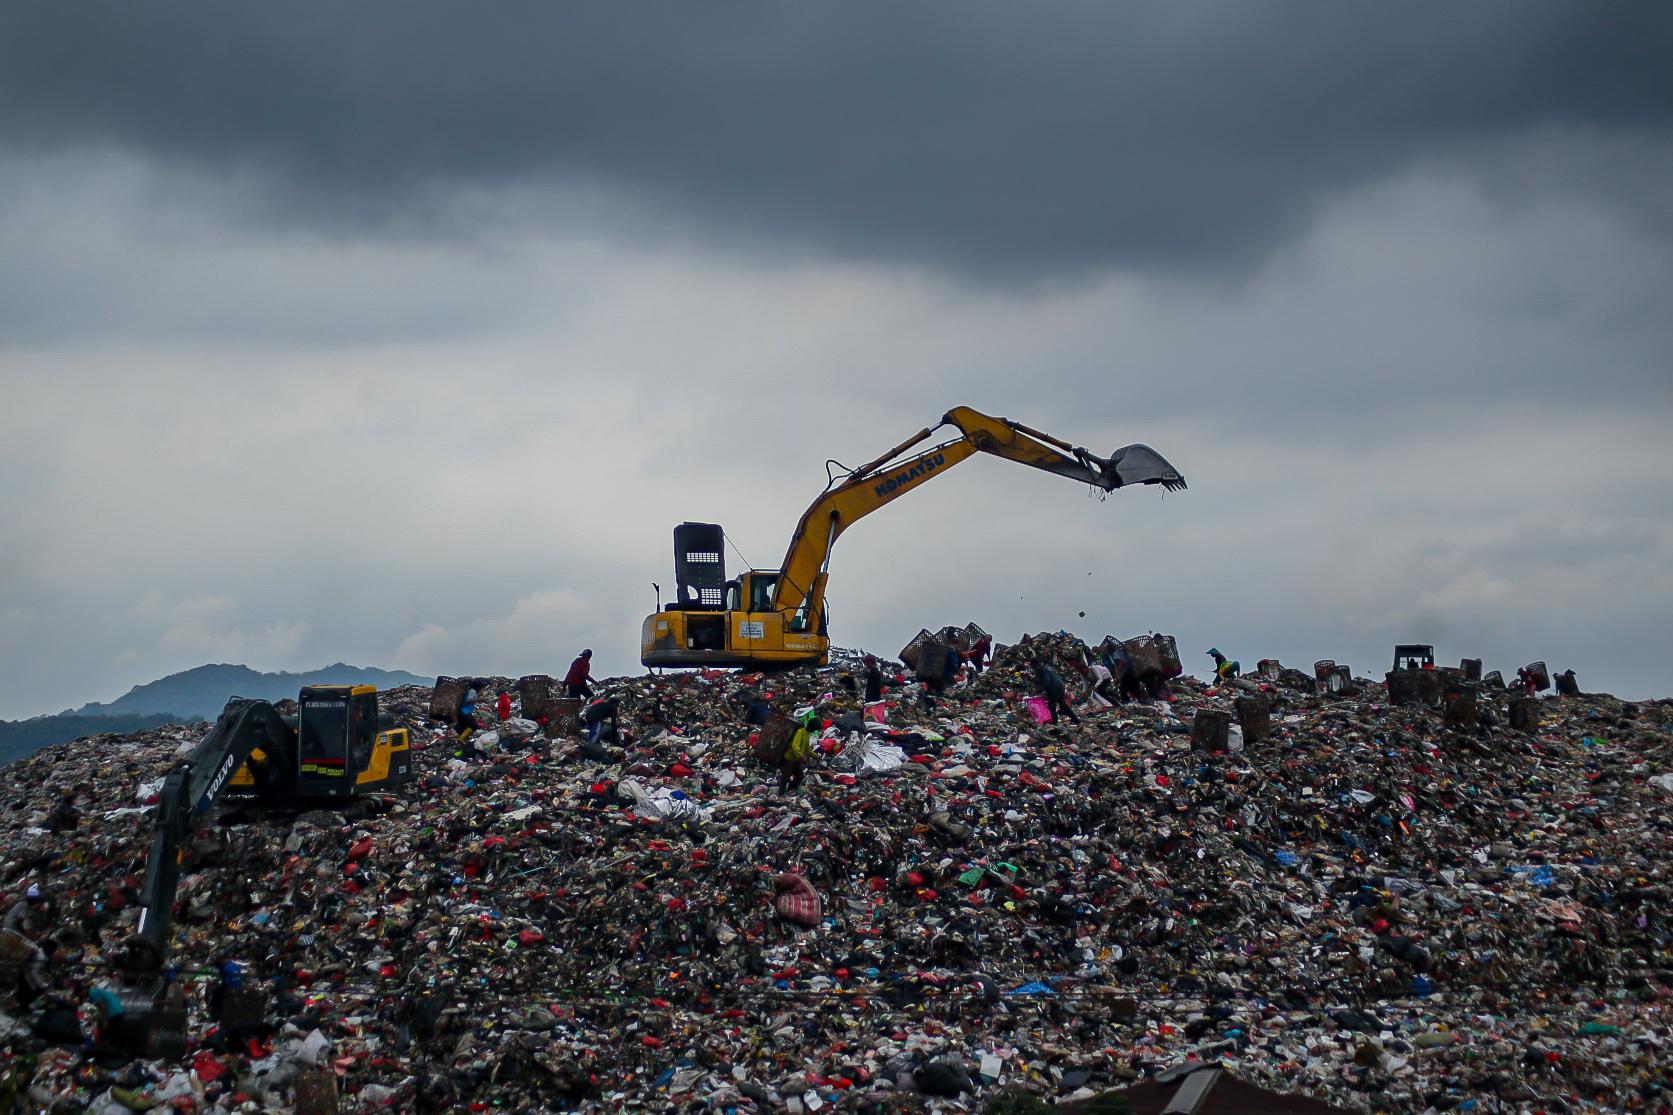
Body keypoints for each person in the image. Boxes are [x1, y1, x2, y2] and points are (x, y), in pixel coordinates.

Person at [1034, 659, 1079, 724]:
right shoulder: (1046, 668)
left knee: (1052, 706)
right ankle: (1076, 720)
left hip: (1054, 689)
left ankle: (1055, 722)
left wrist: (1038, 690)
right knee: (1063, 705)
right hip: (1060, 687)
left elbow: (1046, 683)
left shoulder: (1044, 671)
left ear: (1036, 665)